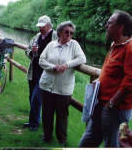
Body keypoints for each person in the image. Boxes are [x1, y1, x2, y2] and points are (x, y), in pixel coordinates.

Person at [79, 10, 132, 147]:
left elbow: (129, 83)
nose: (105, 26)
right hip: (101, 104)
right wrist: (100, 80)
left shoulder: (130, 48)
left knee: (112, 144)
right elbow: (110, 71)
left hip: (116, 109)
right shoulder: (114, 45)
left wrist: (112, 103)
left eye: (109, 23)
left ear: (120, 27)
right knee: (88, 141)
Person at [39, 21, 86, 146]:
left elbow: (82, 58)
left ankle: (62, 141)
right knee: (47, 113)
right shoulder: (51, 45)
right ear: (59, 32)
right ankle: (47, 136)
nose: (69, 35)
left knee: (62, 116)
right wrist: (53, 67)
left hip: (64, 89)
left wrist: (66, 65)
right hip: (47, 86)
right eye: (66, 32)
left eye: (71, 33)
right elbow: (41, 60)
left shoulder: (74, 45)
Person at [24, 15, 57, 131]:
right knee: (31, 97)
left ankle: (34, 124)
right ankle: (33, 121)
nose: (40, 29)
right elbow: (27, 50)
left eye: (42, 26)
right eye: (39, 26)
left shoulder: (56, 36)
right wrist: (32, 52)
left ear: (48, 25)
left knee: (36, 98)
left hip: (46, 73)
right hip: (34, 72)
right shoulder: (36, 36)